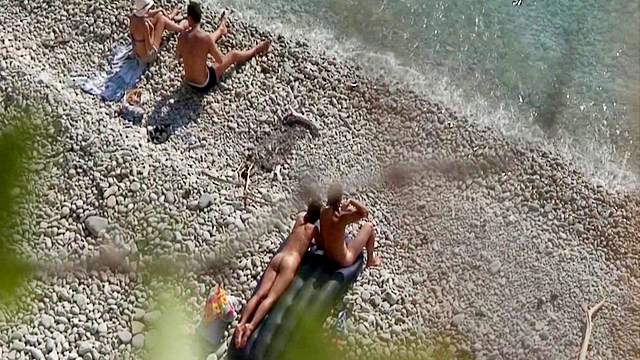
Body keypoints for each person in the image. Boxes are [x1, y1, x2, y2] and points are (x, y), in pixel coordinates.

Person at [233, 199, 322, 349]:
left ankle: (241, 323)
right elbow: (320, 244)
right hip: (290, 262)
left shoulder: (299, 219)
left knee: (259, 294)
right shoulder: (313, 229)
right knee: (271, 298)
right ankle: (250, 327)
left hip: (279, 257)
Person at [176, 1, 270, 93]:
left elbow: (177, 56)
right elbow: (220, 60)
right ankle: (256, 50)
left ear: (189, 18)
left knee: (207, 42)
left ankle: (221, 30)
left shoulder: (181, 36)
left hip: (189, 81)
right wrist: (207, 51)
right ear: (200, 17)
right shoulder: (205, 38)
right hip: (203, 85)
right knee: (233, 54)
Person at [318, 183, 381, 268]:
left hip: (327, 256)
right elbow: (365, 213)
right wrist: (352, 201)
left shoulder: (323, 212)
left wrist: (344, 211)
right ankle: (370, 260)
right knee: (369, 227)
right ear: (340, 199)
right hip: (343, 260)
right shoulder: (341, 218)